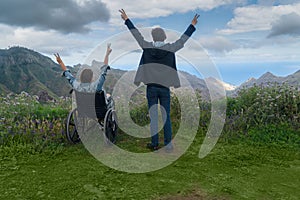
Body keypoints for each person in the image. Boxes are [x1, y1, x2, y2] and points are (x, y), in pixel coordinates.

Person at [119, 9, 199, 151]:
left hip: (151, 88)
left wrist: (127, 20)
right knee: (166, 117)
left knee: (154, 117)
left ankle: (155, 144)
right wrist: (192, 25)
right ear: (164, 37)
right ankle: (168, 145)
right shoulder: (170, 48)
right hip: (164, 88)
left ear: (154, 37)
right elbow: (182, 40)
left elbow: (136, 34)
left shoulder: (147, 47)